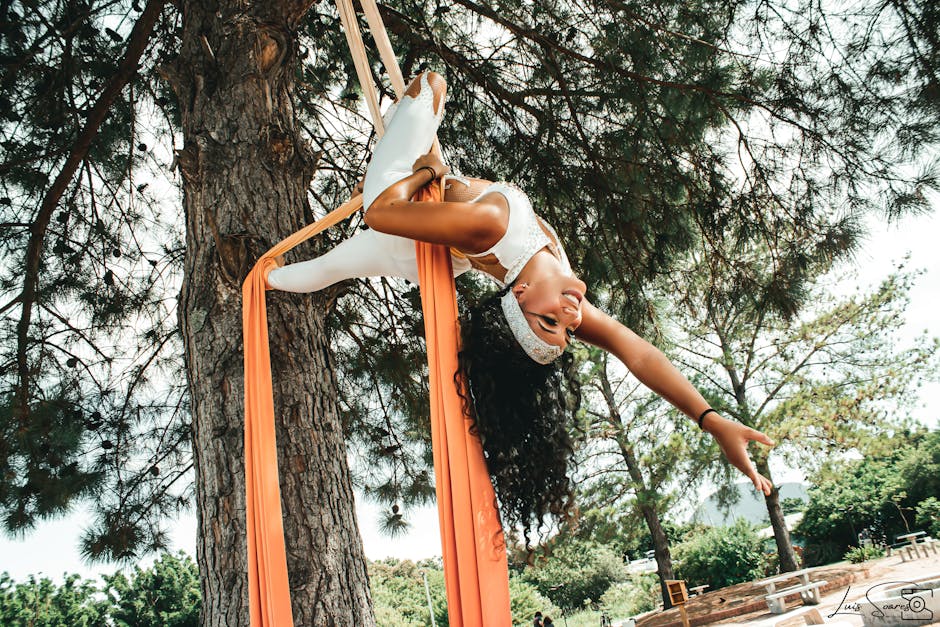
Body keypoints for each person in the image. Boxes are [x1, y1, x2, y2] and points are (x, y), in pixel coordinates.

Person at [266, 70, 775, 542]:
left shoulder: (492, 225)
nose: (573, 317)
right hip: (451, 244)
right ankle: (272, 279)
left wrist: (423, 175)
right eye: (567, 329)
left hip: (407, 207)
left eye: (550, 321)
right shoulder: (560, 290)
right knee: (323, 270)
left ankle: (262, 280)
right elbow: (638, 354)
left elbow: (379, 212)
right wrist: (711, 419)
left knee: (429, 87)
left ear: (520, 296)